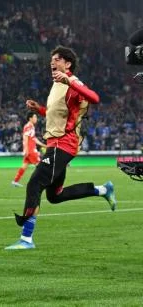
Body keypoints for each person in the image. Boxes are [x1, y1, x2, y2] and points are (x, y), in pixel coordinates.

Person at [6, 46, 116, 250]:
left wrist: (70, 80)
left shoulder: (72, 82)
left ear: (68, 64)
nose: (52, 62)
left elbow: (95, 98)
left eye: (57, 59)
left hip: (63, 144)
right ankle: (103, 190)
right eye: (52, 59)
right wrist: (39, 109)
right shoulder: (57, 84)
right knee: (54, 195)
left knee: (35, 183)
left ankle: (26, 239)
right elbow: (56, 115)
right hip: (55, 144)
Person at [12, 112, 46, 187]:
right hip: (31, 150)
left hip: (30, 150)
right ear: (30, 118)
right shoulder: (28, 126)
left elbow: (34, 139)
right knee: (40, 166)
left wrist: (44, 145)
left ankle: (15, 181)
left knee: (24, 166)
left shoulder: (31, 126)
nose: (36, 118)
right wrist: (26, 150)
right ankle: (43, 182)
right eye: (35, 117)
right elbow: (25, 138)